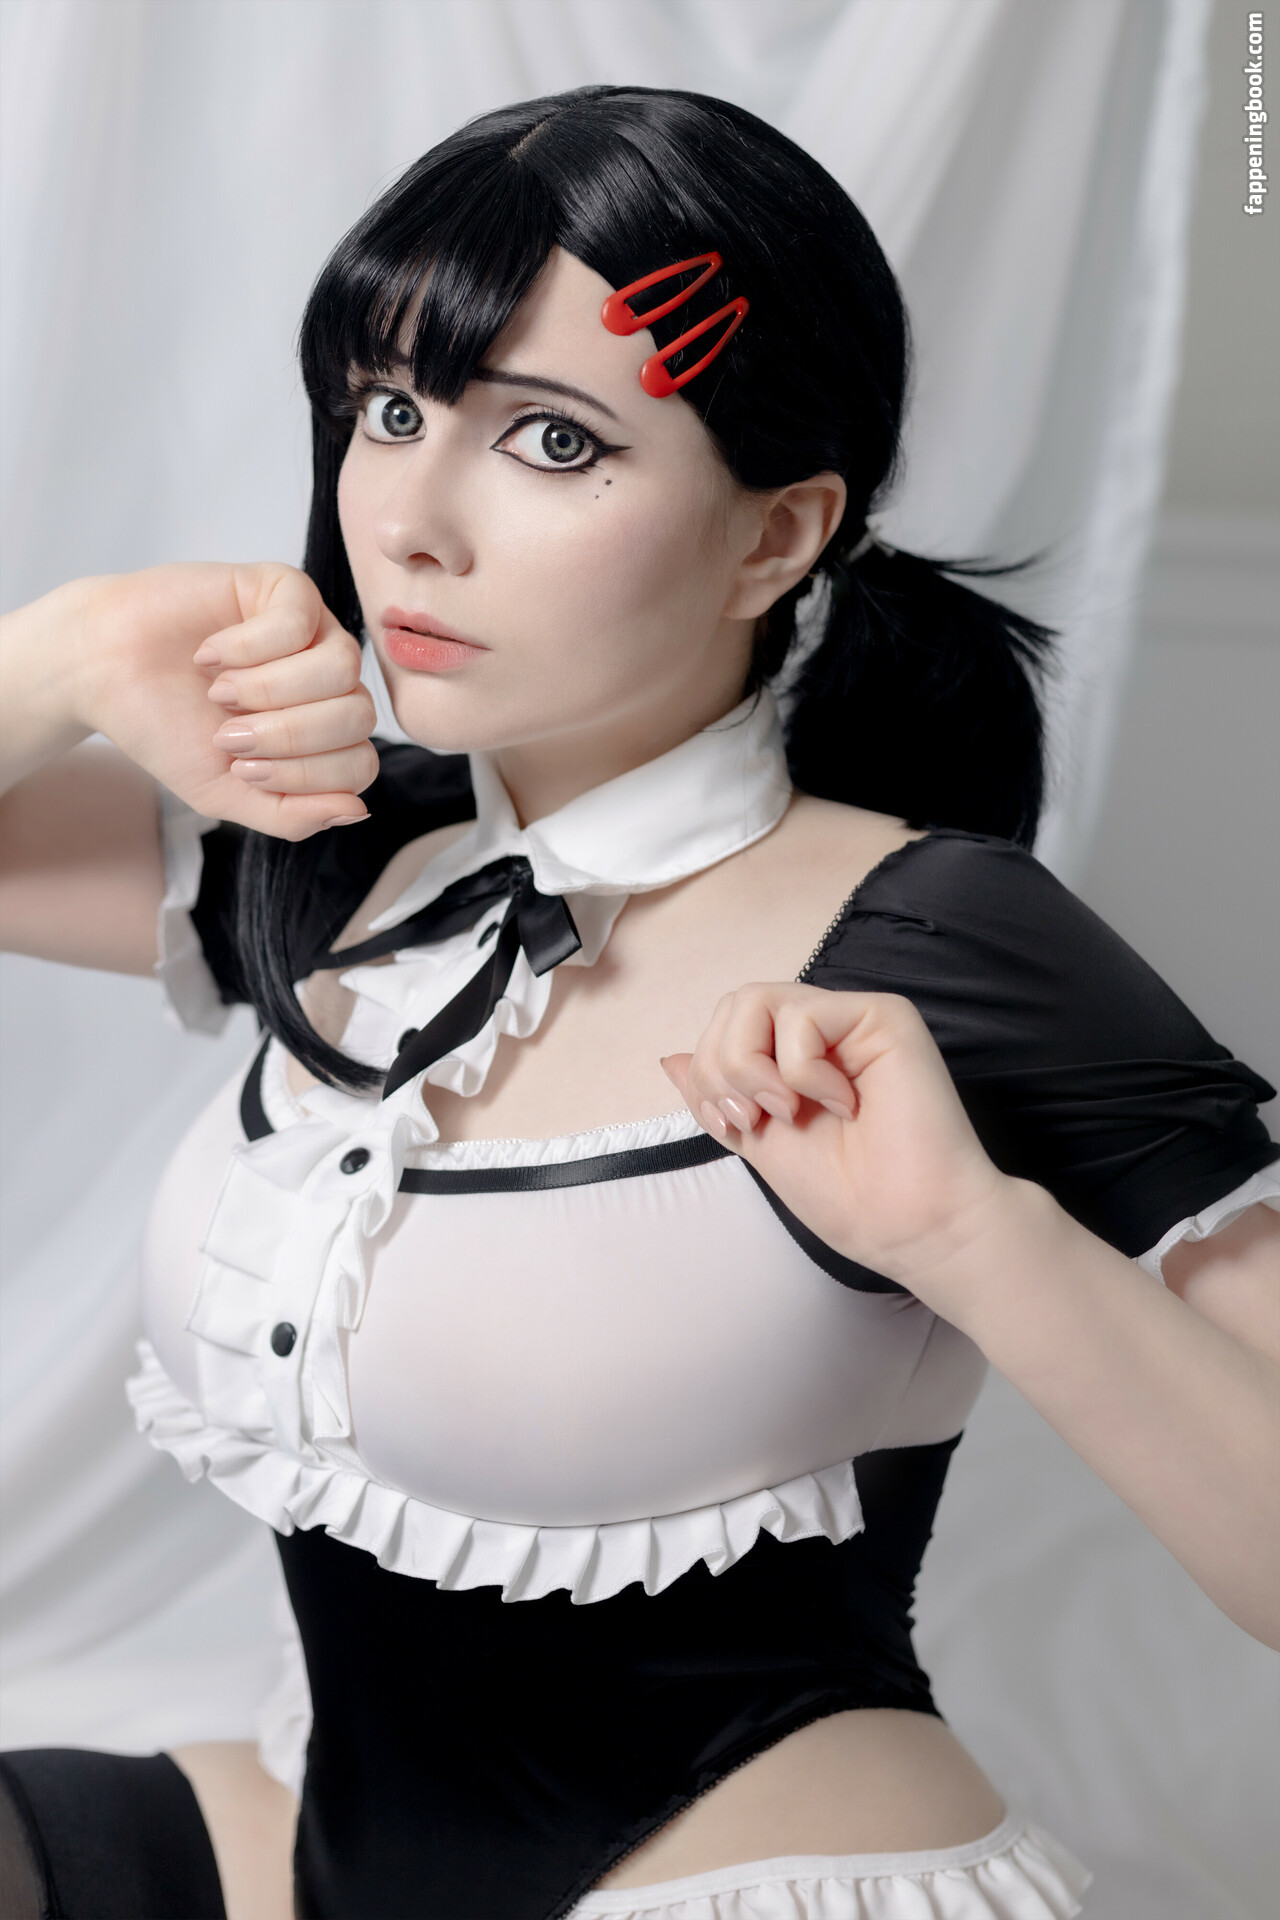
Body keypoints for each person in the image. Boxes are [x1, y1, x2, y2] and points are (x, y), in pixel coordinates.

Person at [0, 83, 1275, 1920]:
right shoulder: (356, 857)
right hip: (319, 1834)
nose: (411, 522)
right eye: (389, 410)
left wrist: (976, 1238)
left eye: (552, 441)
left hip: (755, 1879)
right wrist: (62, 654)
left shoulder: (931, 932)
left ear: (775, 537)